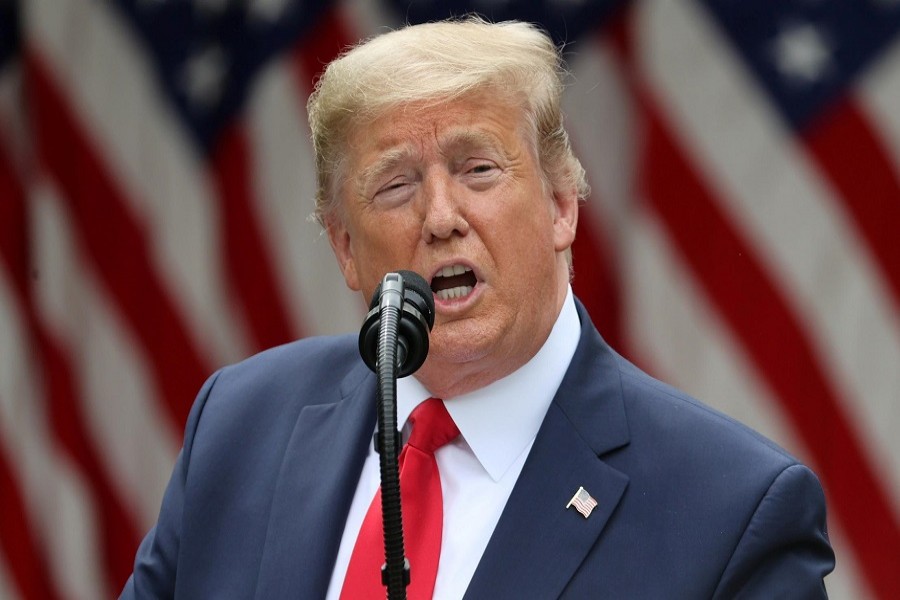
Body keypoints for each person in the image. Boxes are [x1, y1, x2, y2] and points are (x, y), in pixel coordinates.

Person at [121, 17, 834, 599]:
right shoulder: (240, 425)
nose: (441, 217)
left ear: (561, 204)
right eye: (396, 186)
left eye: (478, 169)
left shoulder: (730, 511)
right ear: (344, 247)